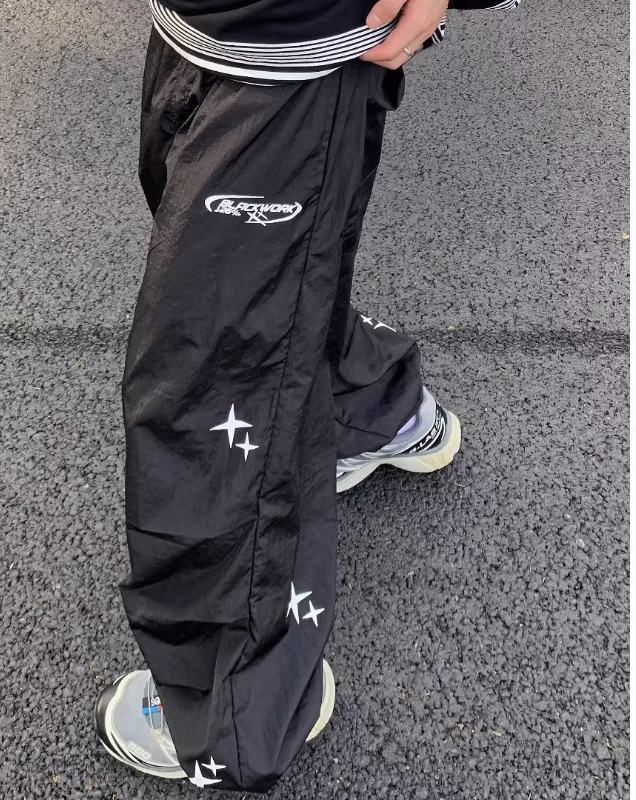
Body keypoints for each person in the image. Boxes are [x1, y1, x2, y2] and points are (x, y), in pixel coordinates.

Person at [95, 0, 522, 792]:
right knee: (278, 285)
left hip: (287, 58)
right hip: (206, 32)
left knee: (214, 370)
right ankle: (366, 410)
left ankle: (237, 697)